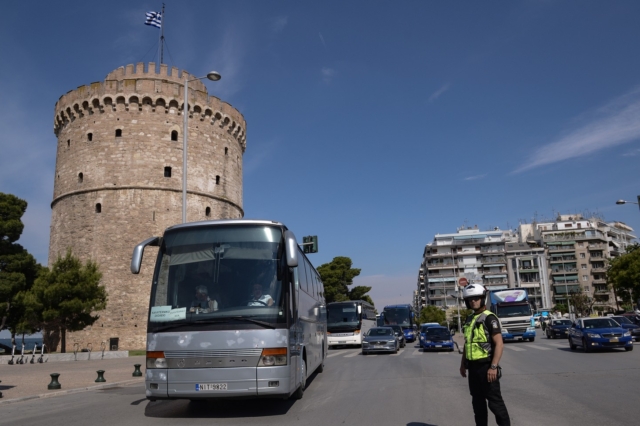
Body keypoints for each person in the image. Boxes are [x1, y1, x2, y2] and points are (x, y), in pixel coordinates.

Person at [459, 283, 510, 426]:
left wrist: (493, 367)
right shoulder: (469, 319)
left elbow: (499, 344)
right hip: (473, 369)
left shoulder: (489, 318)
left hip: (487, 368)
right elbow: (468, 343)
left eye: (476, 298)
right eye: (470, 299)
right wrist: (462, 364)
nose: (473, 301)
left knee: (495, 404)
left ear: (483, 299)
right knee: (478, 405)